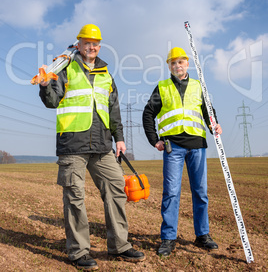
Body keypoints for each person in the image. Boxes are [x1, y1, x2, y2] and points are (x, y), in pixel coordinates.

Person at [39, 24, 145, 270]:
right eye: (87, 42)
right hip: (73, 144)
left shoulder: (106, 73)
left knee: (116, 189)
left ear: (100, 45)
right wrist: (45, 86)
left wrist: (119, 138)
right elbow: (53, 102)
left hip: (102, 145)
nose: (92, 46)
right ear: (79, 44)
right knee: (75, 197)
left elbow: (113, 108)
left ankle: (120, 245)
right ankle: (78, 252)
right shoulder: (65, 67)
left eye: (95, 43)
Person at [142, 47, 222, 257]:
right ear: (169, 66)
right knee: (171, 193)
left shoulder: (199, 86)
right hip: (173, 147)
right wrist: (154, 141)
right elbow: (148, 114)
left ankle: (202, 235)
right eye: (173, 63)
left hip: (197, 145)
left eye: (181, 62)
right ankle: (168, 238)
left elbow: (208, 111)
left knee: (200, 192)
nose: (177, 66)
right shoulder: (162, 87)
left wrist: (215, 125)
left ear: (188, 64)